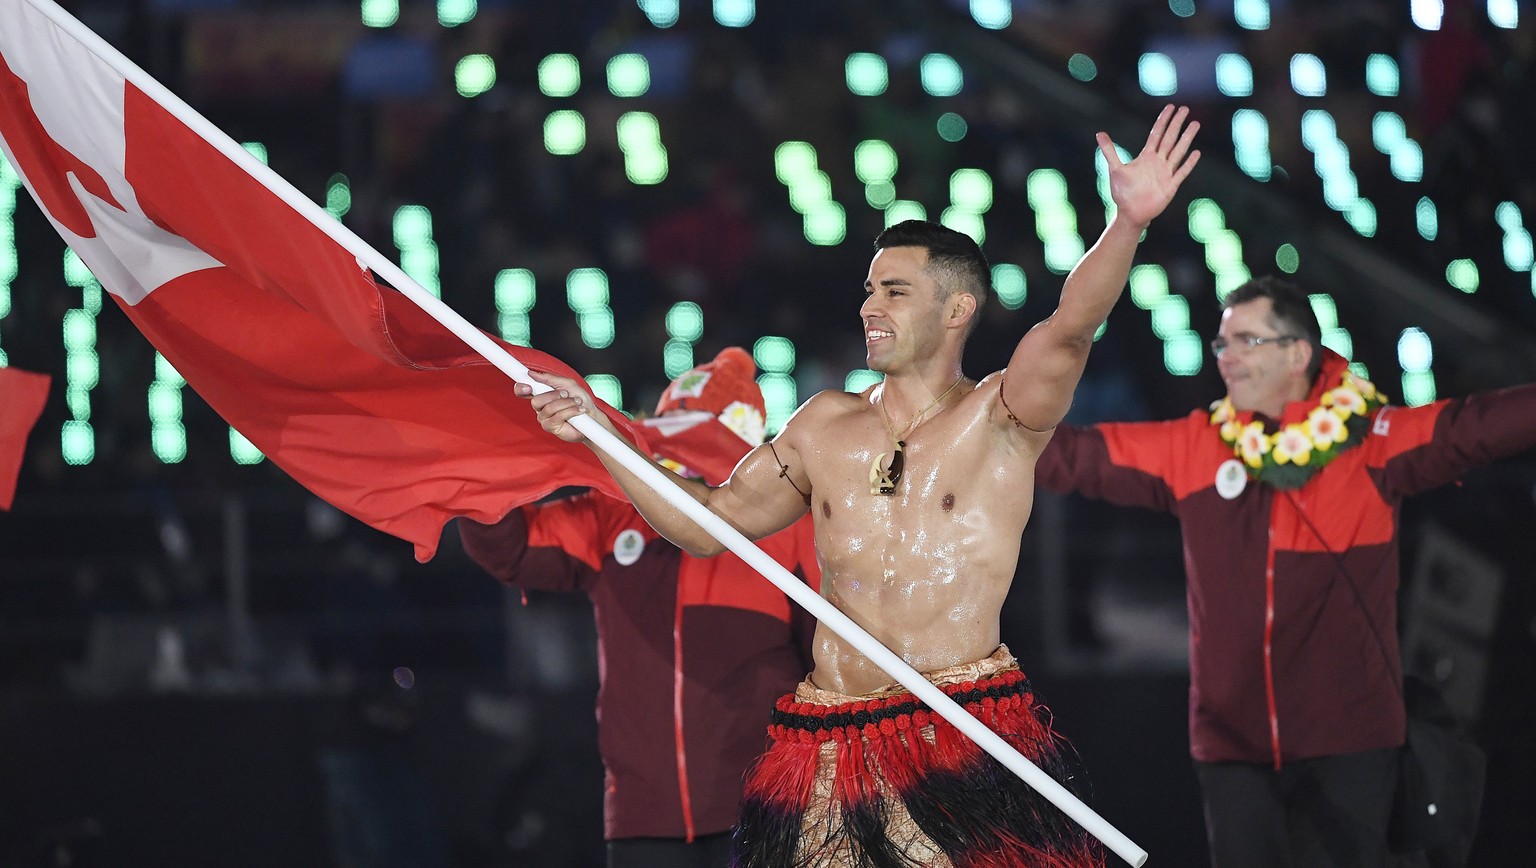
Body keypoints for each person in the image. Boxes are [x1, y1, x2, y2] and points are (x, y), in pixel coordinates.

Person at [516, 105, 1201, 867]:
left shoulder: (1002, 415)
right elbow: (704, 525)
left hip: (952, 726)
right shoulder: (821, 426)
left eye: (896, 292)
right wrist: (602, 435)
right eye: (870, 289)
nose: (871, 306)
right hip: (825, 739)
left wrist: (1128, 223)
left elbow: (1072, 325)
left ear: (958, 310)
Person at [1034, 275, 1536, 867]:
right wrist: (972, 425)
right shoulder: (1199, 445)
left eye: (1247, 341)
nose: (1228, 359)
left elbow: (1473, 428)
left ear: (1298, 353)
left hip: (1350, 742)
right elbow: (1073, 456)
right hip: (1231, 748)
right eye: (1223, 345)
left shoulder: (1370, 444)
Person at [459, 347, 822, 868]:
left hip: (766, 802)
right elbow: (513, 550)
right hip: (641, 814)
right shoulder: (612, 508)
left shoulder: (788, 521)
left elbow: (830, 654)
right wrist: (480, 462)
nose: (684, 457)